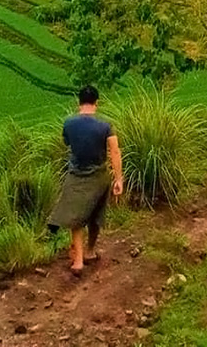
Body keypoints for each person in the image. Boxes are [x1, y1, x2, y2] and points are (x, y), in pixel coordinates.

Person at [48, 85, 123, 275]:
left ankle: (79, 261)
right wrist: (118, 179)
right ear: (96, 102)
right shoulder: (106, 125)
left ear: (78, 102)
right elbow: (114, 151)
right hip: (99, 176)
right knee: (96, 215)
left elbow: (67, 143)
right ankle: (90, 251)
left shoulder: (69, 123)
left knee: (76, 217)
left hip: (76, 176)